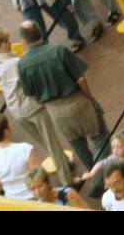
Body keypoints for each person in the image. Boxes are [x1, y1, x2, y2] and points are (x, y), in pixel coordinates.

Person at [16, 21, 108, 177]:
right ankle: (100, 175)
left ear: (24, 41)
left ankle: (94, 176)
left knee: (79, 147)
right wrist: (89, 97)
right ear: (40, 33)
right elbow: (80, 79)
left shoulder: (22, 64)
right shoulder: (58, 49)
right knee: (101, 138)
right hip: (78, 102)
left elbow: (31, 95)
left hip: (55, 111)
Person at [0, 26, 73, 183]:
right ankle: (67, 180)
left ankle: (64, 162)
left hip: (15, 111)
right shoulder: (16, 63)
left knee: (43, 141)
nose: (9, 42)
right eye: (5, 41)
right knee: (52, 143)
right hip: (33, 107)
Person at [0, 114, 41, 200]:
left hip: (12, 200)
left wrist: (5, 182)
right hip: (34, 196)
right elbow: (38, 177)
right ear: (6, 131)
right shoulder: (25, 149)